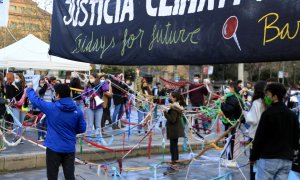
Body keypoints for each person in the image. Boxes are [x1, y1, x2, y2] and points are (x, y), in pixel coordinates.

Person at [26, 83, 86, 180]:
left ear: (58, 95)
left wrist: (29, 89)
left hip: (53, 148)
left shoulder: (51, 107)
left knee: (52, 176)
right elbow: (82, 128)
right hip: (69, 148)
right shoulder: (78, 110)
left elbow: (36, 101)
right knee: (70, 176)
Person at [249, 83, 299, 180]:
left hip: (268, 159)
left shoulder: (267, 114)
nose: (266, 97)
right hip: (286, 159)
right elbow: (296, 138)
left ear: (275, 96)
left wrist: (253, 156)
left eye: (268, 94)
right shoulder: (292, 115)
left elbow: (259, 137)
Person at [243, 81, 267, 180]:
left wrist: (245, 113)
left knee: (254, 162)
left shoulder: (257, 102)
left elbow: (252, 120)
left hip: (256, 136)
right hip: (267, 136)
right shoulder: (267, 102)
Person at [163, 91, 186, 176]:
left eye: (171, 96)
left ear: (174, 98)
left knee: (173, 148)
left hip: (174, 130)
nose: (170, 97)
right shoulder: (175, 106)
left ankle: (174, 163)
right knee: (174, 147)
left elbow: (172, 119)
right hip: (175, 130)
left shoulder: (174, 108)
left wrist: (165, 112)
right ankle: (174, 162)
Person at [220, 82, 244, 160]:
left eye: (229, 87)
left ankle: (230, 157)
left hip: (231, 122)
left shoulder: (232, 98)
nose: (228, 89)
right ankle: (231, 156)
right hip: (236, 121)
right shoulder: (238, 97)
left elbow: (228, 110)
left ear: (232, 88)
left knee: (230, 140)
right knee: (233, 139)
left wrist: (222, 103)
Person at [83, 73, 109, 141]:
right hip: (90, 107)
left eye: (92, 77)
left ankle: (98, 139)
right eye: (90, 77)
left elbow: (106, 89)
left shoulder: (100, 86)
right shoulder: (87, 86)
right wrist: (87, 98)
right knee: (90, 125)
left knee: (98, 125)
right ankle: (89, 139)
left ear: (96, 78)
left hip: (99, 108)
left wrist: (105, 82)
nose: (90, 79)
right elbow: (83, 95)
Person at [6, 73, 27, 144]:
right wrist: (14, 87)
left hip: (23, 107)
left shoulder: (23, 86)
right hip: (15, 106)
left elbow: (24, 96)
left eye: (17, 77)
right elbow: (10, 96)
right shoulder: (9, 85)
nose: (16, 78)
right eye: (15, 77)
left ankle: (19, 138)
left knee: (20, 123)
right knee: (16, 123)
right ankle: (15, 138)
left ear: (21, 78)